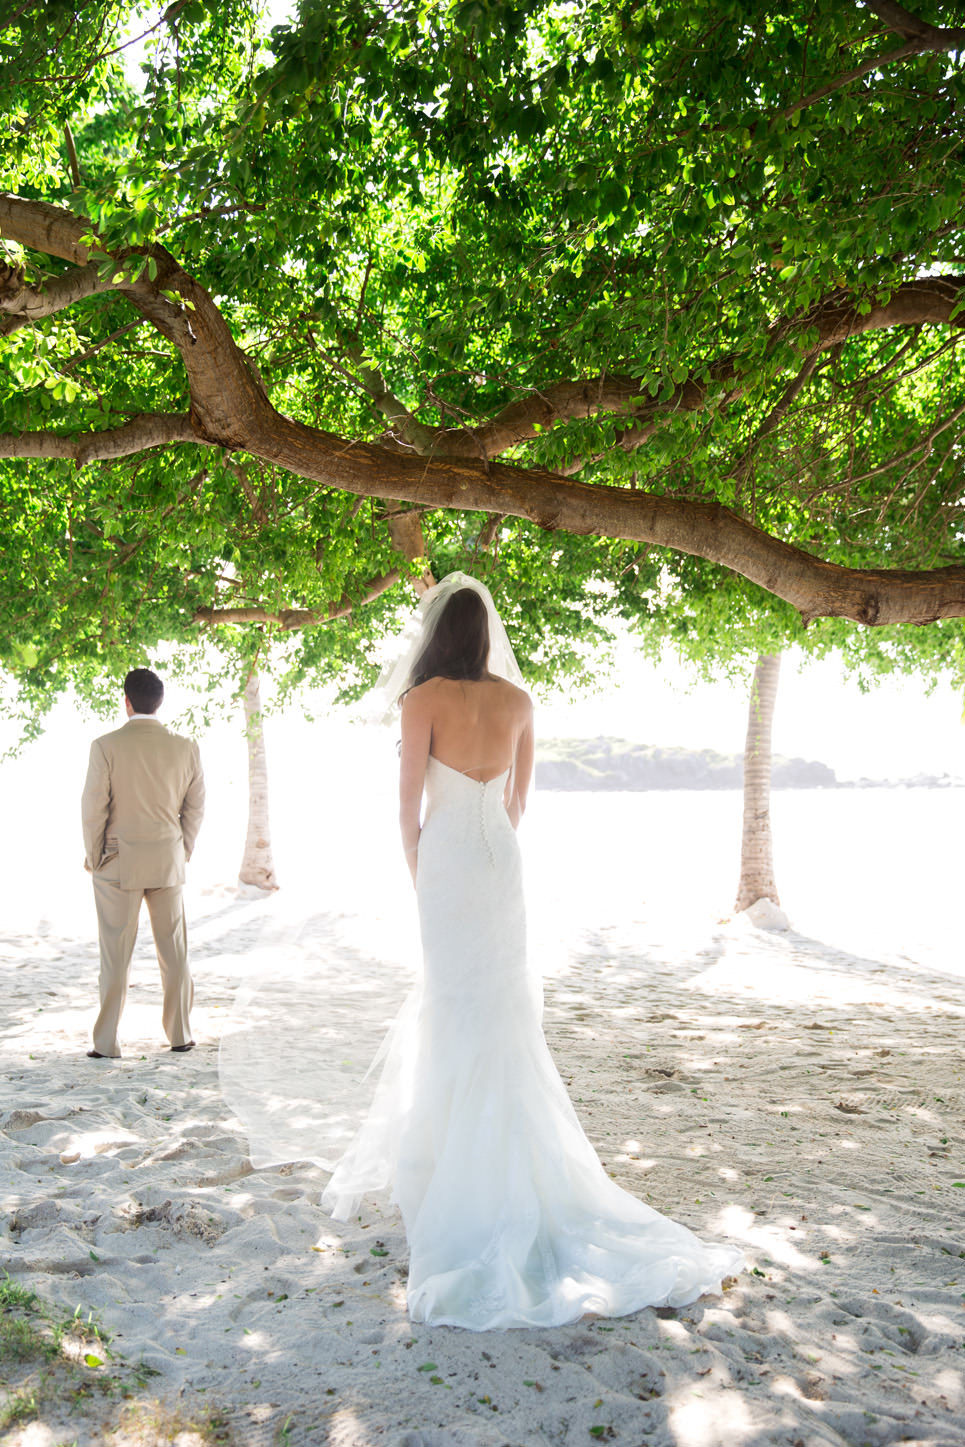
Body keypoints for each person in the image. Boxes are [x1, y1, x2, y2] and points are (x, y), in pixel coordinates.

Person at [319, 573, 744, 1329]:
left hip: (448, 859)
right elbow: (518, 803)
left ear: (434, 634)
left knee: (452, 1004)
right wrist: (488, 843)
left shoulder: (419, 702)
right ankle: (506, 1165)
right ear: (486, 635)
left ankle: (454, 1172)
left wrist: (423, 877)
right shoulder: (519, 703)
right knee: (502, 1008)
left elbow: (406, 806)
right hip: (499, 863)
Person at [81, 667, 205, 1059]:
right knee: (175, 952)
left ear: (127, 700)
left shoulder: (105, 746)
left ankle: (106, 1044)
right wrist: (181, 848)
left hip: (118, 862)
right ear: (160, 701)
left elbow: (93, 809)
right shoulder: (186, 746)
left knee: (115, 954)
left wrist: (95, 854)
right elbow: (196, 806)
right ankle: (181, 1035)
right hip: (167, 860)